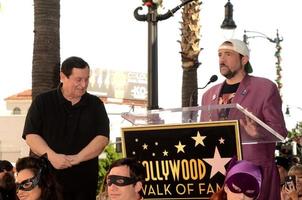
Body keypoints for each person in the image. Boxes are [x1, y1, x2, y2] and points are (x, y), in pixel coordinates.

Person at [201, 39, 287, 200]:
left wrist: (259, 132)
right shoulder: (208, 95)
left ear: (244, 59)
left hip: (254, 175)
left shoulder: (264, 88)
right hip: (218, 175)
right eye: (219, 55)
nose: (222, 59)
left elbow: (280, 132)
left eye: (228, 54)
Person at [22, 56, 110, 200]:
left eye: (86, 79)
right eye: (78, 79)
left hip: (84, 183)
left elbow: (102, 139)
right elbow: (31, 135)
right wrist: (52, 156)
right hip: (47, 182)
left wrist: (77, 158)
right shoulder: (42, 102)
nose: (84, 84)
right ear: (63, 77)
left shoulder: (96, 105)